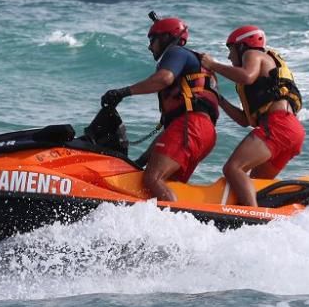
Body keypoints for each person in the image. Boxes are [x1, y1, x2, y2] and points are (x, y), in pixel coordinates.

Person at [92, 14, 219, 202]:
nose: (150, 46)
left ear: (167, 38)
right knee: (163, 185)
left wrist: (122, 93)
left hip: (191, 127)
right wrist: (140, 161)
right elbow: (171, 133)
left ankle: (172, 225)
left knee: (153, 179)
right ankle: (177, 223)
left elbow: (164, 78)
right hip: (203, 133)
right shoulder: (194, 66)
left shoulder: (176, 53)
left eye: (152, 40)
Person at [199, 25, 304, 207]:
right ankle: (262, 216)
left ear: (242, 46)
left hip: (279, 125)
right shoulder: (263, 67)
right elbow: (244, 120)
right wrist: (219, 98)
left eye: (231, 50)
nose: (229, 57)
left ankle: (251, 220)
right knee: (255, 183)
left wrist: (212, 64)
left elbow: (246, 76)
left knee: (233, 168)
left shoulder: (253, 54)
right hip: (292, 131)